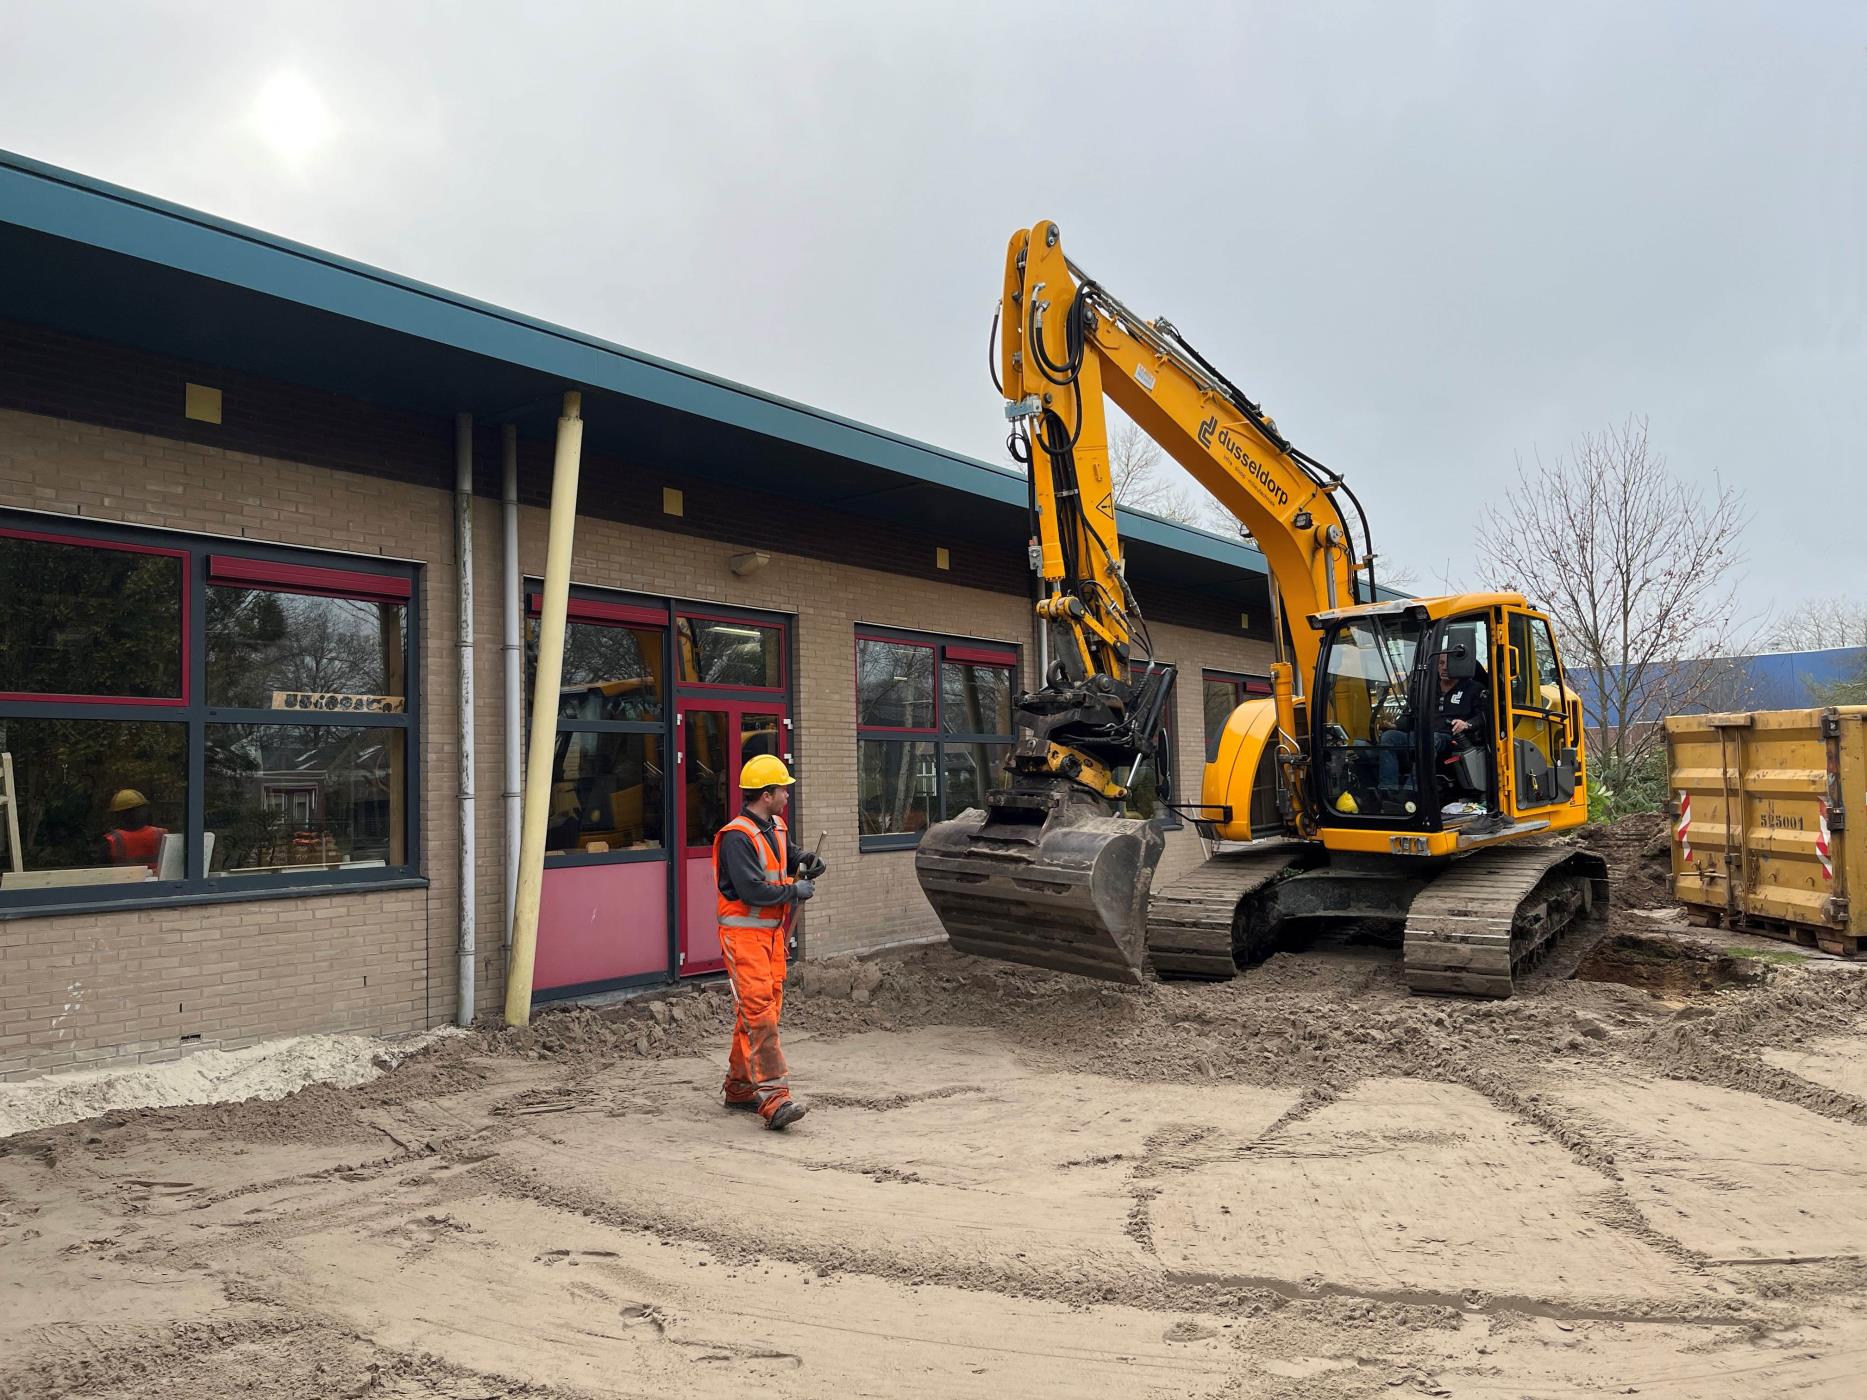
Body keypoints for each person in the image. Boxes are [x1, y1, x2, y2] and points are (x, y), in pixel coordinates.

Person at [713, 754, 826, 1131]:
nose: (787, 796)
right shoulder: (736, 836)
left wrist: (806, 859)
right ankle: (775, 1099)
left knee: (762, 1011)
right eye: (783, 790)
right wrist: (794, 889)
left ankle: (740, 1087)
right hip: (744, 936)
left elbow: (787, 856)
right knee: (759, 1011)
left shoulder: (775, 826)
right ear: (765, 794)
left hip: (770, 937)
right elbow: (751, 890)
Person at [1378, 652, 1488, 795]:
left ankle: (1412, 791)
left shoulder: (1474, 688)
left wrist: (1467, 724)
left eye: (1449, 664)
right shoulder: (1426, 689)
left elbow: (1484, 716)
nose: (1444, 668)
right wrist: (1395, 726)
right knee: (1390, 737)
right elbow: (1411, 715)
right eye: (1441, 664)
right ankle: (1387, 789)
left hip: (1451, 738)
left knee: (1430, 738)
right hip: (1423, 735)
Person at [103, 788, 166, 874]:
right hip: (159, 883)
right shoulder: (162, 834)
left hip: (125, 884)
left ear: (118, 815)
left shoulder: (111, 839)